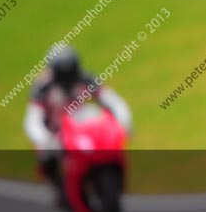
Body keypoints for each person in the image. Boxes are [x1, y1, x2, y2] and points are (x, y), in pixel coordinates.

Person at [24, 47, 131, 210]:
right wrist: (45, 139)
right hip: (55, 135)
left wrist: (123, 123)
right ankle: (61, 193)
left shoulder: (85, 78)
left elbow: (112, 100)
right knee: (46, 159)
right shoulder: (43, 87)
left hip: (82, 130)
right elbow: (32, 120)